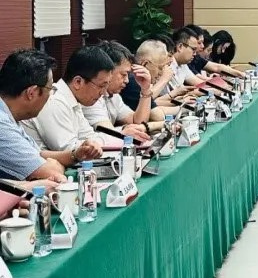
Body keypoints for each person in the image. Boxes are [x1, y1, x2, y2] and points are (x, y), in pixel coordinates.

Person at [1, 49, 99, 181]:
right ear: (32, 93)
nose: (52, 94)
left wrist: (75, 154)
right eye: (50, 88)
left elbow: (39, 154)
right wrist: (55, 165)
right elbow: (51, 172)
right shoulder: (2, 124)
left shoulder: (10, 115)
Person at [21, 46, 113, 154]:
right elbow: (71, 150)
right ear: (78, 82)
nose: (103, 93)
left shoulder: (73, 100)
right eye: (101, 86)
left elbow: (89, 137)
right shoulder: (54, 101)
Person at [82, 41, 162, 140]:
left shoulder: (113, 95)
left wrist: (145, 89)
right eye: (123, 74)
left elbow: (137, 122)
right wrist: (125, 130)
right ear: (108, 71)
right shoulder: (90, 96)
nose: (127, 80)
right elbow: (110, 134)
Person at [122, 39, 180, 117]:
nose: (162, 73)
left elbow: (154, 105)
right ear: (145, 64)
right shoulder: (133, 80)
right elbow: (157, 115)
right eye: (160, 68)